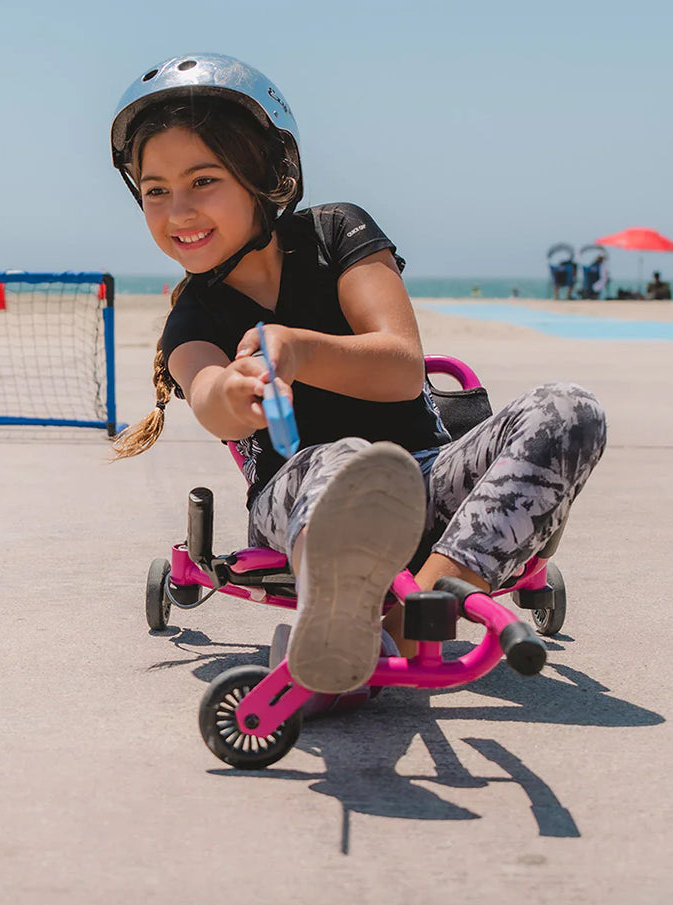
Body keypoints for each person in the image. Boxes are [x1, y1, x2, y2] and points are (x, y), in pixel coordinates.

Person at [108, 53, 607, 697]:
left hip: (426, 479)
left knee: (570, 409)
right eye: (155, 191)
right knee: (344, 460)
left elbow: (402, 368)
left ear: (269, 173)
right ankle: (357, 621)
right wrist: (236, 393)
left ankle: (421, 605)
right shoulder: (192, 319)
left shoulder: (337, 233)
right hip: (303, 503)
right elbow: (207, 398)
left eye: (203, 180)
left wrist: (297, 351)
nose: (178, 211)